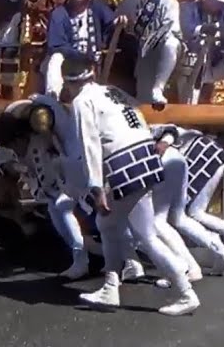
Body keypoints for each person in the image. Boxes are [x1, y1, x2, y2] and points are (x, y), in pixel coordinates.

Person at [54, 55, 199, 316]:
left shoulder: (81, 102)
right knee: (132, 230)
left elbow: (90, 146)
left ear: (68, 82)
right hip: (146, 157)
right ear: (93, 73)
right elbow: (139, 120)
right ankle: (116, 286)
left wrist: (96, 188)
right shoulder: (113, 91)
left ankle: (179, 290)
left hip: (124, 166)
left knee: (120, 227)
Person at [0, 99, 89, 278]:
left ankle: (84, 259)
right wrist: (11, 167)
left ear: (21, 136)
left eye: (14, 143)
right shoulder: (6, 145)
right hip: (48, 191)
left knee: (65, 209)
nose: (12, 148)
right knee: (59, 220)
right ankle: (81, 258)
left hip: (70, 183)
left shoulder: (44, 138)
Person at [150, 125, 224, 275]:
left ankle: (187, 267)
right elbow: (169, 130)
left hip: (165, 162)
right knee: (178, 219)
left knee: (157, 222)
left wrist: (164, 142)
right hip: (177, 160)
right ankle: (221, 252)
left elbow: (169, 130)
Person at [44, 0, 121, 99]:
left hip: (91, 66)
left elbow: (111, 24)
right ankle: (52, 98)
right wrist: (81, 56)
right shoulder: (59, 13)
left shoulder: (97, 8)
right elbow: (56, 45)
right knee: (55, 59)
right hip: (67, 63)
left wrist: (119, 21)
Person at [127, 0, 182, 108]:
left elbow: (172, 28)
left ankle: (159, 87)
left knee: (171, 43)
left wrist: (154, 39)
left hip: (163, 50)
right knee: (143, 100)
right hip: (143, 52)